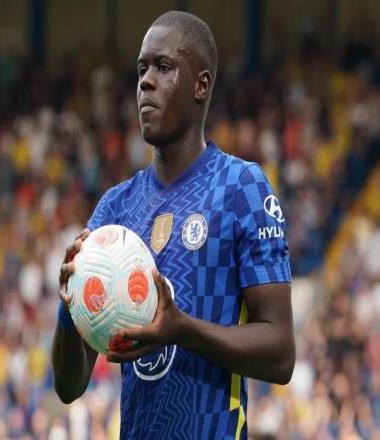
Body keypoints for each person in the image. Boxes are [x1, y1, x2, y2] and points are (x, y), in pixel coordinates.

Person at [52, 10, 295, 440]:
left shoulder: (240, 187)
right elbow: (69, 386)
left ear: (201, 85)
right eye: (142, 69)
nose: (145, 82)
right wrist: (68, 305)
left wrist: (181, 329)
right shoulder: (114, 210)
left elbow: (280, 353)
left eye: (163, 67)